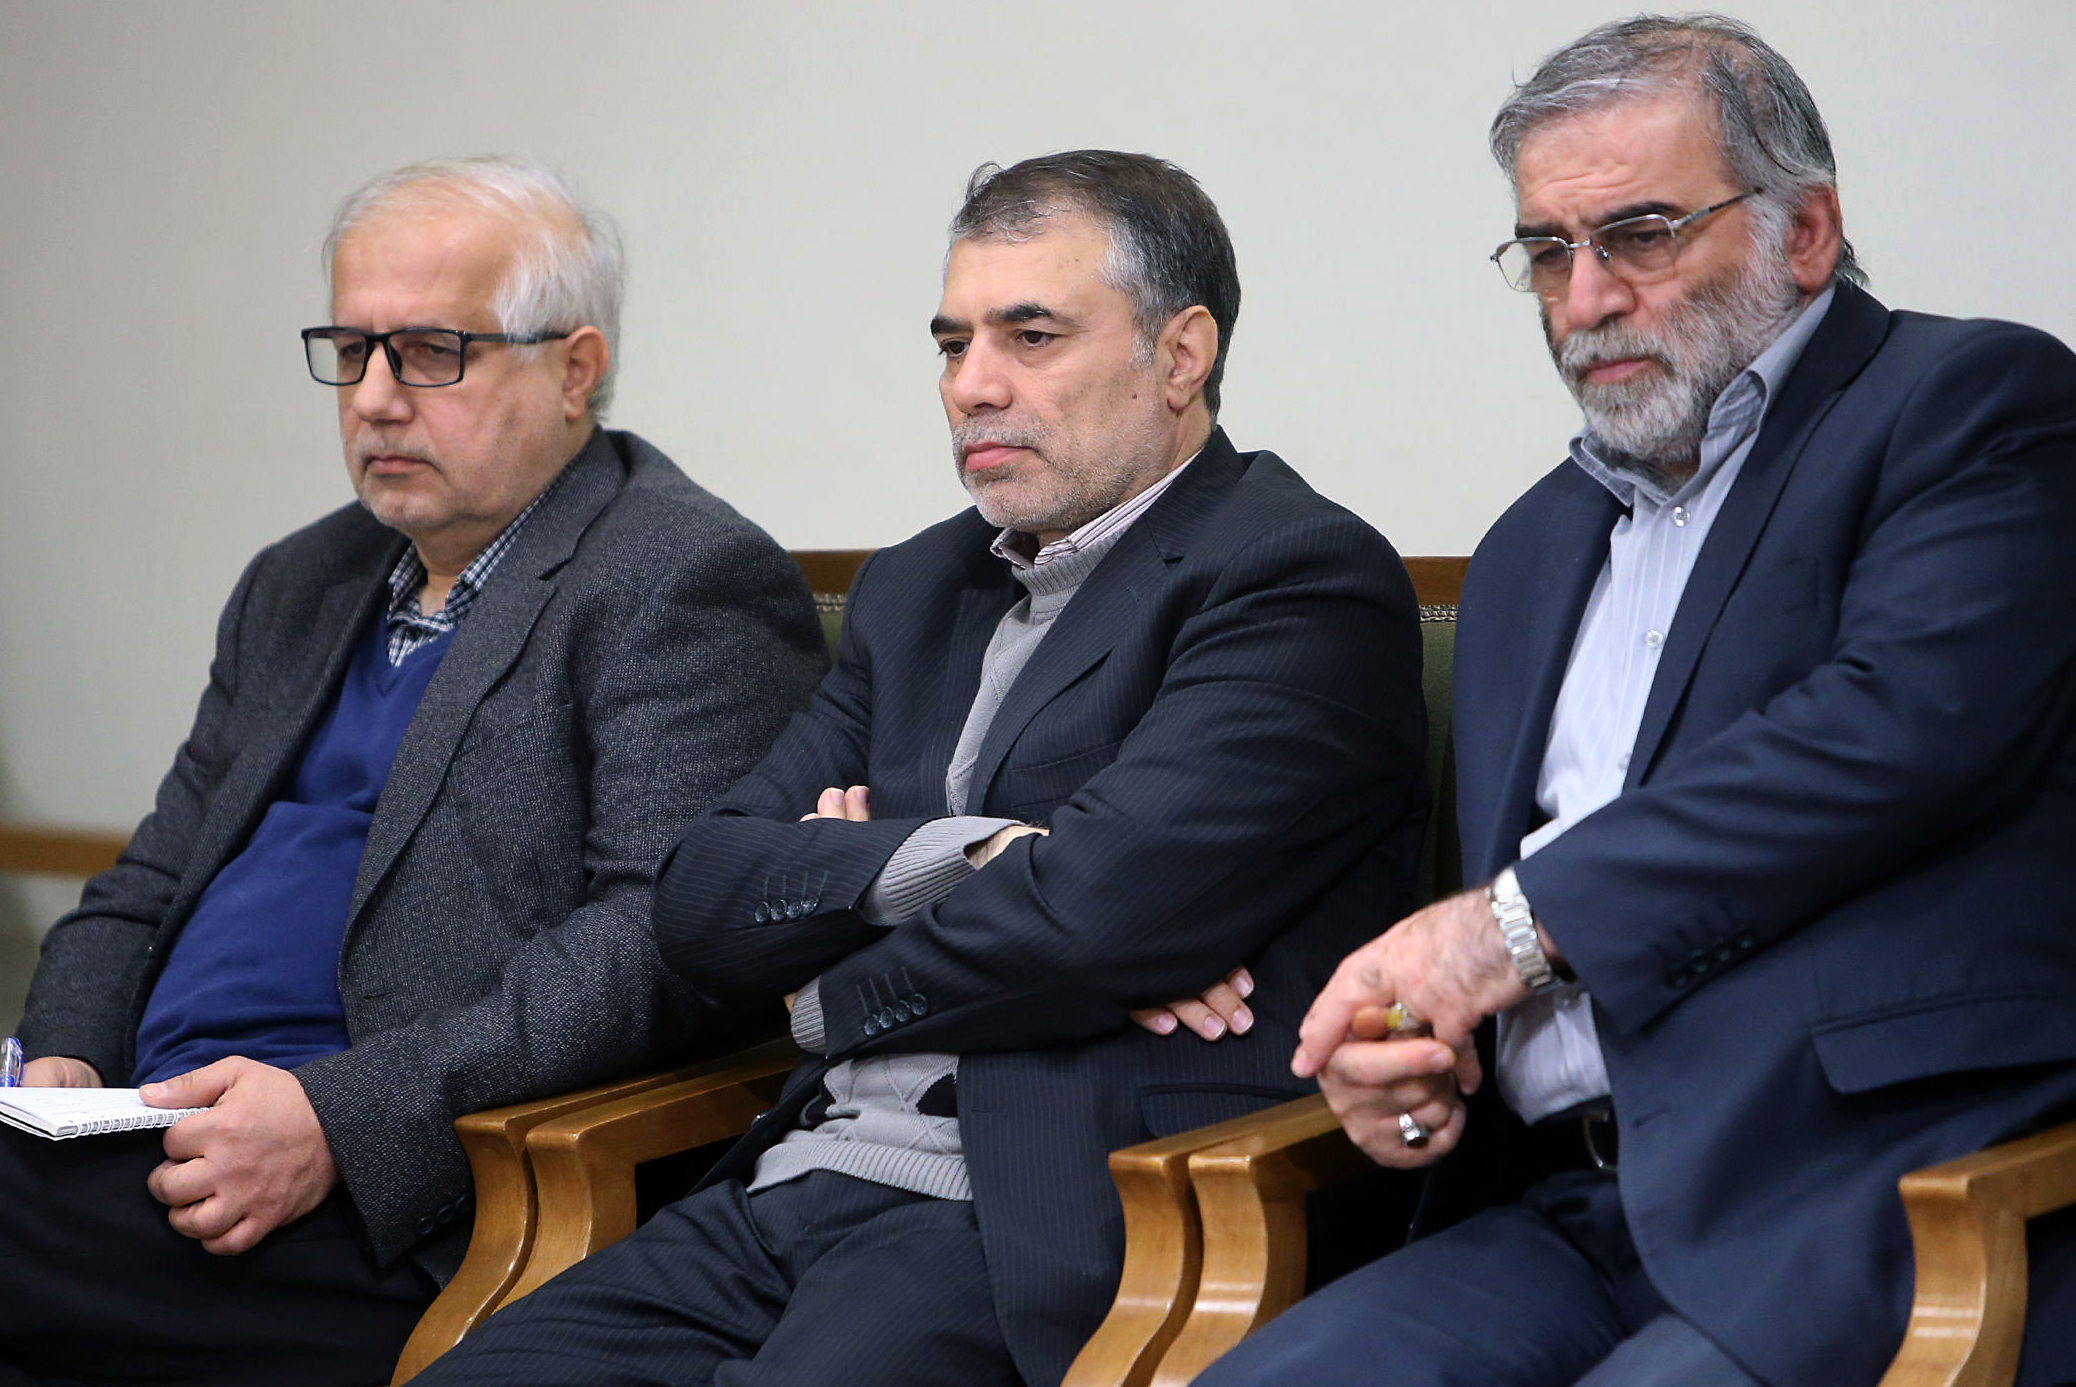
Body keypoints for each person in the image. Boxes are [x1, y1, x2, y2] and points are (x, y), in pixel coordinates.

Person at [414, 149, 1429, 1387]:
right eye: (953, 344)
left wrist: (823, 977)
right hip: (788, 1177)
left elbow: (1089, 920)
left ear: (1181, 354)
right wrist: (981, 855)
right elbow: (699, 894)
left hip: (1041, 1210)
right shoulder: (915, 587)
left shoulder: (1293, 577)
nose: (972, 385)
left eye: (1031, 336)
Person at [1197, 15, 2076, 1387]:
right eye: (1548, 250)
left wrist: (1505, 932)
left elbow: (1894, 730)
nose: (1586, 298)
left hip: (1869, 1191)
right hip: (1556, 1203)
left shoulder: (1966, 405)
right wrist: (1409, 1063)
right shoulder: (1528, 549)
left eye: (1641, 235)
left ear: (1805, 231)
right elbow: (1490, 943)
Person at [3, 157, 827, 1385]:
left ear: (575, 370)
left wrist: (340, 1119)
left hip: (404, 1196)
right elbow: (152, 875)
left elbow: (661, 943)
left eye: (432, 352)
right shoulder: (300, 580)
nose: (376, 400)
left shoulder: (679, 578)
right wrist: (63, 1057)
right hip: (142, 1133)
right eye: (352, 350)